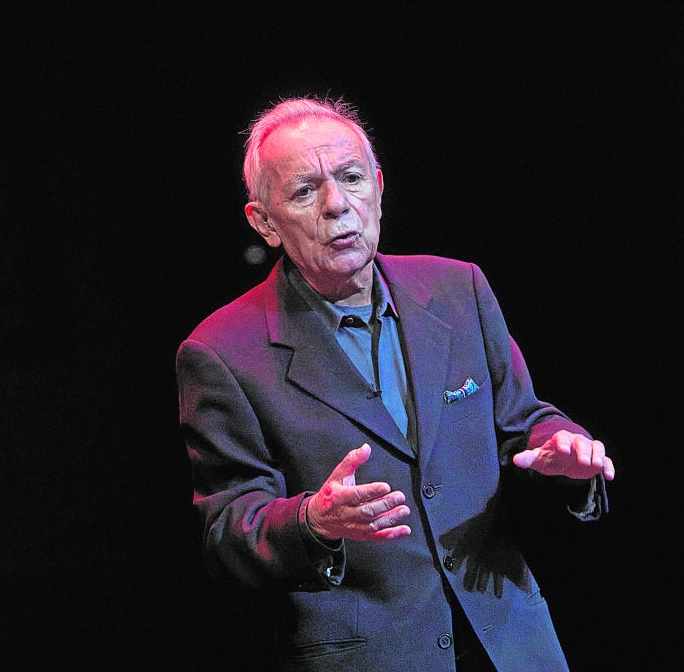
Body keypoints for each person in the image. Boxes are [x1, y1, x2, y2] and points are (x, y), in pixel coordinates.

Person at [177, 96, 615, 671]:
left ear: (378, 187)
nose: (338, 205)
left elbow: (523, 422)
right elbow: (229, 529)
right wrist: (312, 521)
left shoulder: (459, 290)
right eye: (305, 191)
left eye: (352, 178)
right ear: (264, 221)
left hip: (511, 642)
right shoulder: (221, 351)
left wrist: (562, 448)